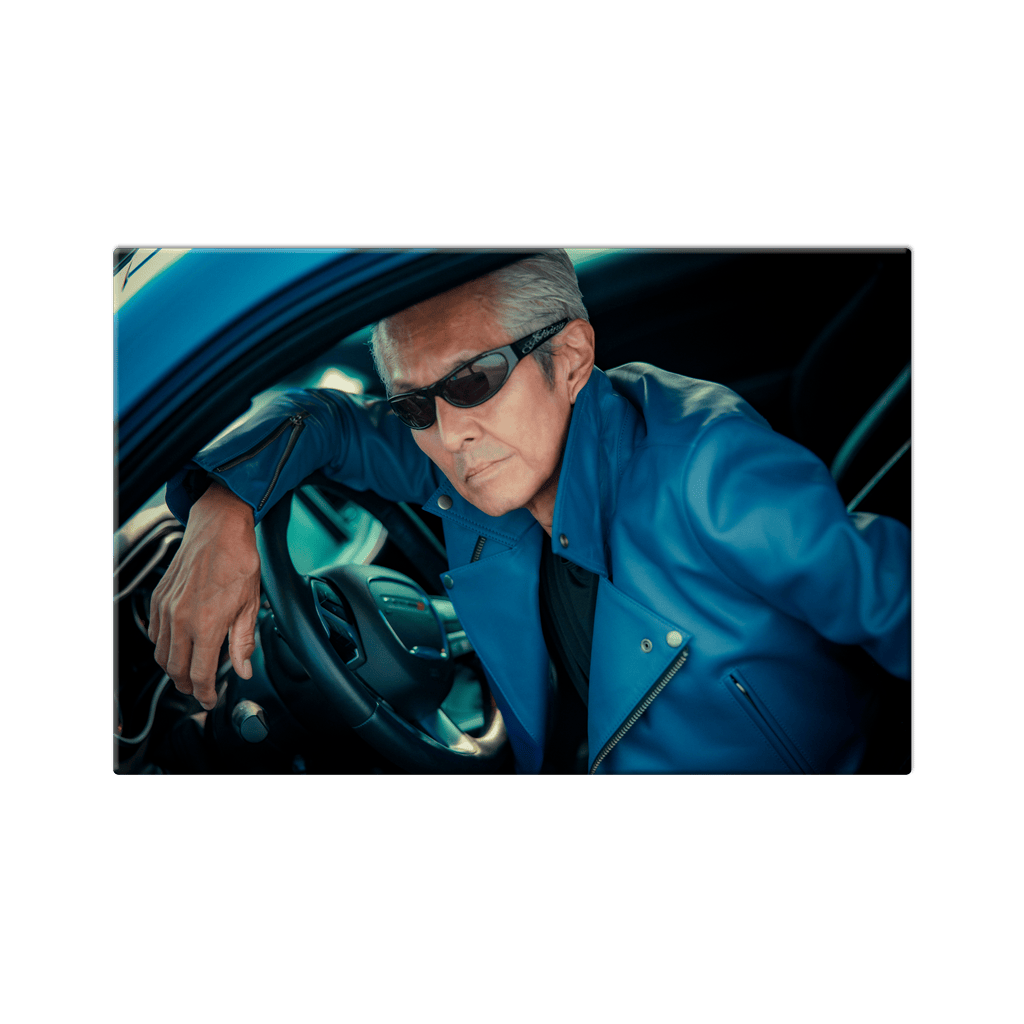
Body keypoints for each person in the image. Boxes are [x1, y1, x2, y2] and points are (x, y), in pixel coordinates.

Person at [150, 250, 911, 775]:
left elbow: (904, 608)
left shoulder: (710, 472)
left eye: (473, 381)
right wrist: (224, 509)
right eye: (413, 405)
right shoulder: (471, 460)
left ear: (571, 359)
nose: (449, 435)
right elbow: (325, 419)